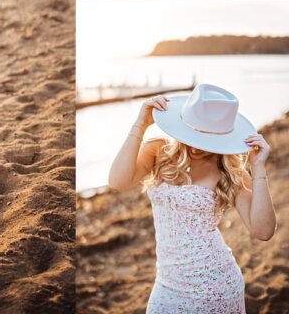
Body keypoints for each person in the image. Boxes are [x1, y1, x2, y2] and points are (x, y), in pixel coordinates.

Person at [108, 85, 276, 312]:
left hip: (216, 287)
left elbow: (263, 231)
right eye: (195, 132)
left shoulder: (230, 170)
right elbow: (118, 181)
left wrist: (258, 169)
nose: (197, 146)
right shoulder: (158, 151)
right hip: (167, 283)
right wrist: (140, 124)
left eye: (205, 136)